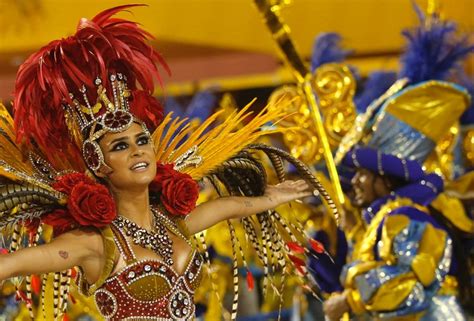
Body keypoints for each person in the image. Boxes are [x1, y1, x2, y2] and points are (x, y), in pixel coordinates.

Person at [0, 5, 335, 321]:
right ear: (97, 163)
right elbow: (12, 265)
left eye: (142, 140)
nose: (138, 151)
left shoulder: (173, 223)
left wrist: (270, 198)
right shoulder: (93, 243)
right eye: (120, 146)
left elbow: (230, 207)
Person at [323, 147, 466, 321]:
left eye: (363, 174)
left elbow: (409, 283)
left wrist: (350, 300)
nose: (354, 181)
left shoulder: (407, 216)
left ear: (386, 181)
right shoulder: (384, 220)